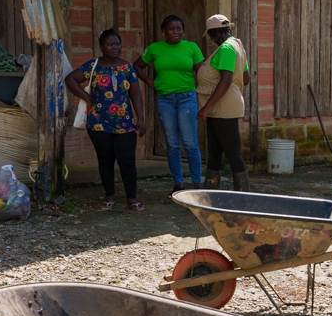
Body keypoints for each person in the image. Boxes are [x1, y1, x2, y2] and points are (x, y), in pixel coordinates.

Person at [65, 29, 145, 211]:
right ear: (101, 46)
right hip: (98, 123)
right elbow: (70, 79)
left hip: (125, 123)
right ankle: (110, 196)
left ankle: (132, 198)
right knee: (105, 159)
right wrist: (87, 98)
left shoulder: (127, 68)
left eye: (117, 44)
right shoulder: (92, 66)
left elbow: (136, 95)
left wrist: (141, 118)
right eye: (110, 44)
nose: (115, 47)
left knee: (127, 160)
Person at [133, 14, 204, 194]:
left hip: (187, 98)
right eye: (171, 29)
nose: (175, 32)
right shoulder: (154, 49)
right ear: (164, 31)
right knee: (172, 143)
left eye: (178, 29)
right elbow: (137, 66)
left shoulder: (191, 47)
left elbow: (202, 73)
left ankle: (197, 182)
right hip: (165, 100)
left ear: (183, 31)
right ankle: (178, 183)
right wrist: (150, 82)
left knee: (189, 142)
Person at [196, 14, 250, 191]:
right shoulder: (237, 45)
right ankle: (211, 192)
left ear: (216, 33)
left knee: (232, 153)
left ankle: (243, 197)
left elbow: (225, 80)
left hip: (223, 106)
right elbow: (246, 78)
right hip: (220, 106)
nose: (212, 40)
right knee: (215, 151)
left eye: (211, 35)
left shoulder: (226, 48)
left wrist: (206, 107)